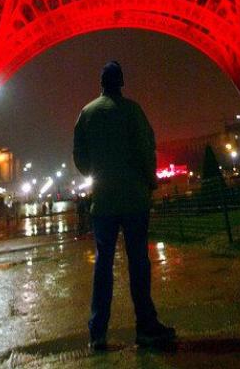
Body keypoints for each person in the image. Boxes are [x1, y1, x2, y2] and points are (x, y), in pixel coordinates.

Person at [73, 61, 176, 352]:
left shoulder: (87, 113)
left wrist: (96, 173)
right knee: (139, 262)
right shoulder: (133, 111)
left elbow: (79, 155)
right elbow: (145, 148)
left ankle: (98, 332)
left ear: (101, 83)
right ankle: (146, 326)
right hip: (133, 199)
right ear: (121, 83)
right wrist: (149, 181)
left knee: (103, 265)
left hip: (103, 201)